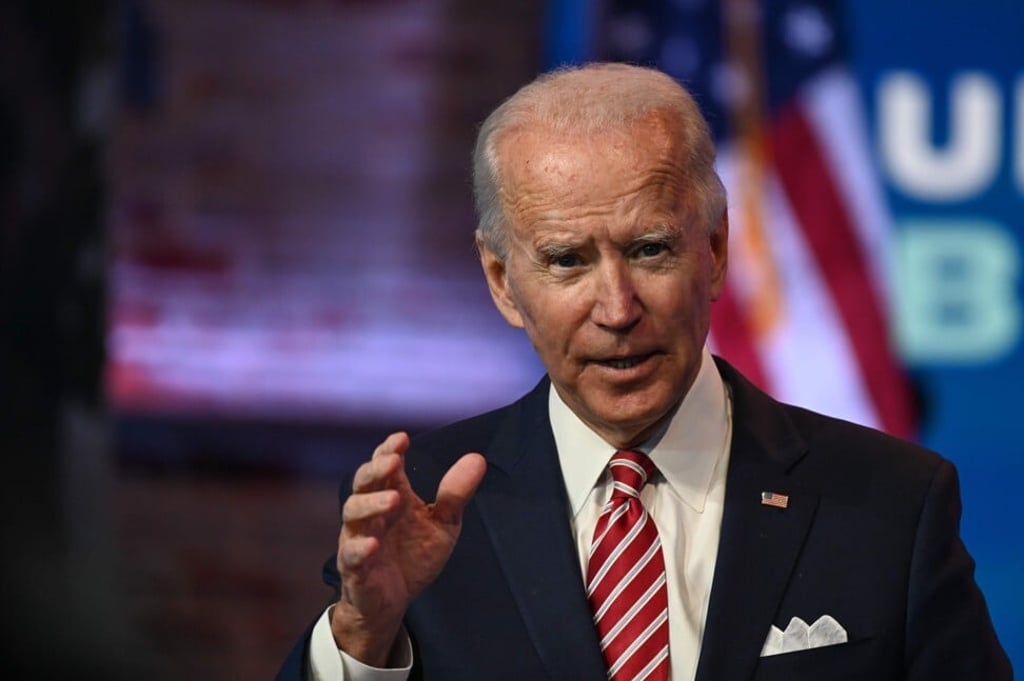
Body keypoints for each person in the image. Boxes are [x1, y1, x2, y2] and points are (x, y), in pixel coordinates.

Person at [277, 63, 1011, 680]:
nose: (617, 308)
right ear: (502, 282)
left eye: (650, 249)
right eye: (568, 261)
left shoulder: (891, 501)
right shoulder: (419, 510)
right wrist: (362, 635)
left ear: (715, 250)